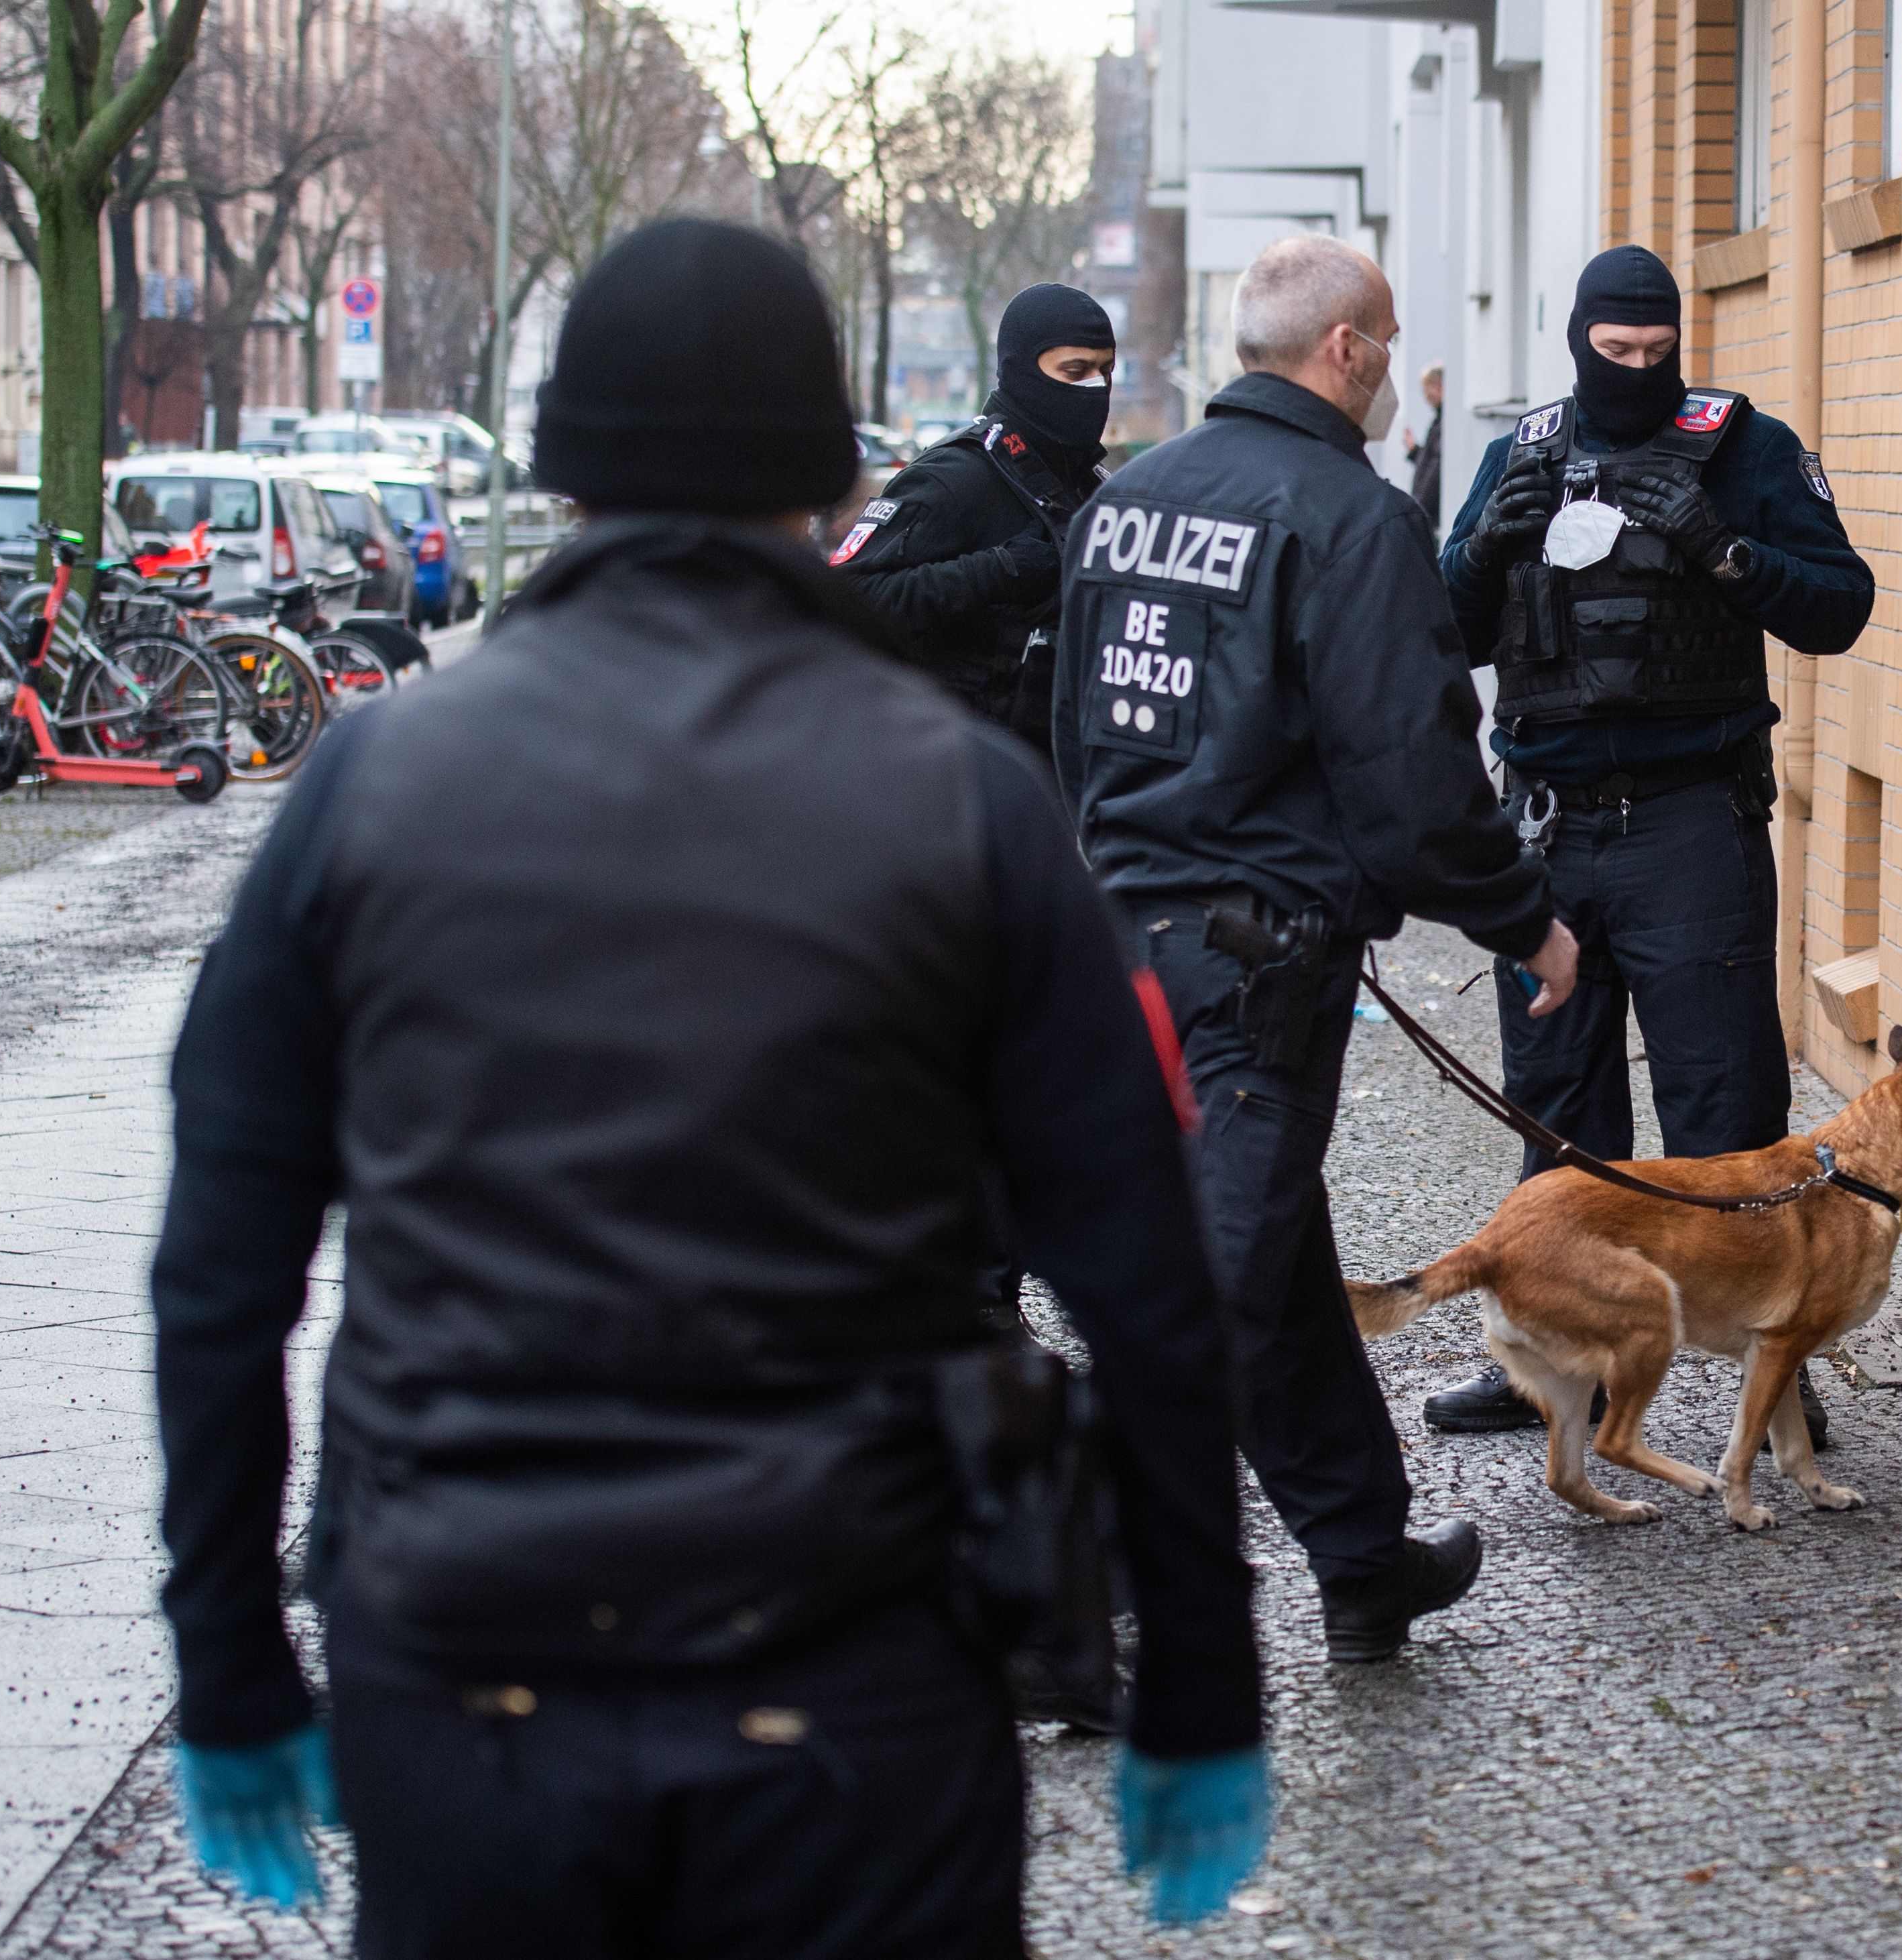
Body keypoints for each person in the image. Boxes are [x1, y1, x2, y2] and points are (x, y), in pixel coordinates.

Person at [151, 220, 1265, 1955]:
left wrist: (227, 1649)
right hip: (855, 1674)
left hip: (464, 1668)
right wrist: (1200, 1673)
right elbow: (1148, 1279)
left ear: (563, 471)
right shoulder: (971, 810)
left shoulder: (371, 786)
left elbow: (221, 1268)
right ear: (828, 482)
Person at [1055, 233, 1581, 1663]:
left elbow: (1077, 734)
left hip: (1125, 948)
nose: (1397, 392)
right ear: (1343, 349)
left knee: (1272, 1265)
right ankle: (1078, 1588)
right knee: (1213, 1284)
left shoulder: (1127, 504)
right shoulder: (1347, 519)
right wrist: (1520, 916)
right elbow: (1414, 777)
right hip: (1254, 970)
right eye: (1388, 347)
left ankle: (1361, 1557)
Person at [1419, 243, 1874, 1440]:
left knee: (1723, 1104)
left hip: (1691, 822)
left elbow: (1841, 603)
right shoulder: (1519, 454)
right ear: (1576, 339)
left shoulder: (1747, 448)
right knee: (1558, 1107)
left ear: (1678, 342)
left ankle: (1780, 1363)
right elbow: (1438, 627)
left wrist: (1730, 550)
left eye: (1654, 352)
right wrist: (1481, 552)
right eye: (1611, 352)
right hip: (1556, 832)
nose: (1633, 371)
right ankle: (1550, 1353)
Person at [830, 282, 1116, 756]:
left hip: (1067, 768)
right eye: (1075, 371)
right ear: (1023, 371)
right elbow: (847, 599)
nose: (1094, 388)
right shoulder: (955, 478)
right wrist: (995, 571)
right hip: (961, 771)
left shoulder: (1092, 483)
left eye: (1105, 371)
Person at [1405, 359, 1447, 539]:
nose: (1425, 397)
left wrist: (1420, 508)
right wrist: (1414, 450)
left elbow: (1436, 467)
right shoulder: (1441, 421)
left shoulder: (1444, 423)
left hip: (1428, 515)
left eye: (1426, 390)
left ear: (1437, 387)